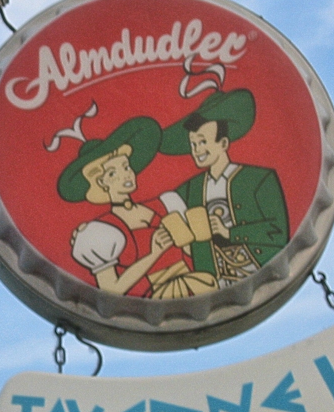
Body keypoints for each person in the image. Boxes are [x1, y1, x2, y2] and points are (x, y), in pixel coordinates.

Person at [60, 117, 217, 298]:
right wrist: (154, 254)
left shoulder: (167, 203)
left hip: (198, 284)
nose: (126, 175)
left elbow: (191, 254)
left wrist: (200, 238)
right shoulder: (100, 231)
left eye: (126, 167)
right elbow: (112, 288)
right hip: (155, 298)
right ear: (101, 182)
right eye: (113, 173)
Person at [159, 89, 289, 287]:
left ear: (223, 143)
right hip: (210, 281)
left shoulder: (258, 179)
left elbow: (278, 231)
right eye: (193, 144)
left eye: (203, 142)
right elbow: (164, 211)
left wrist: (229, 232)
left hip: (254, 268)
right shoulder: (190, 189)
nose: (197, 150)